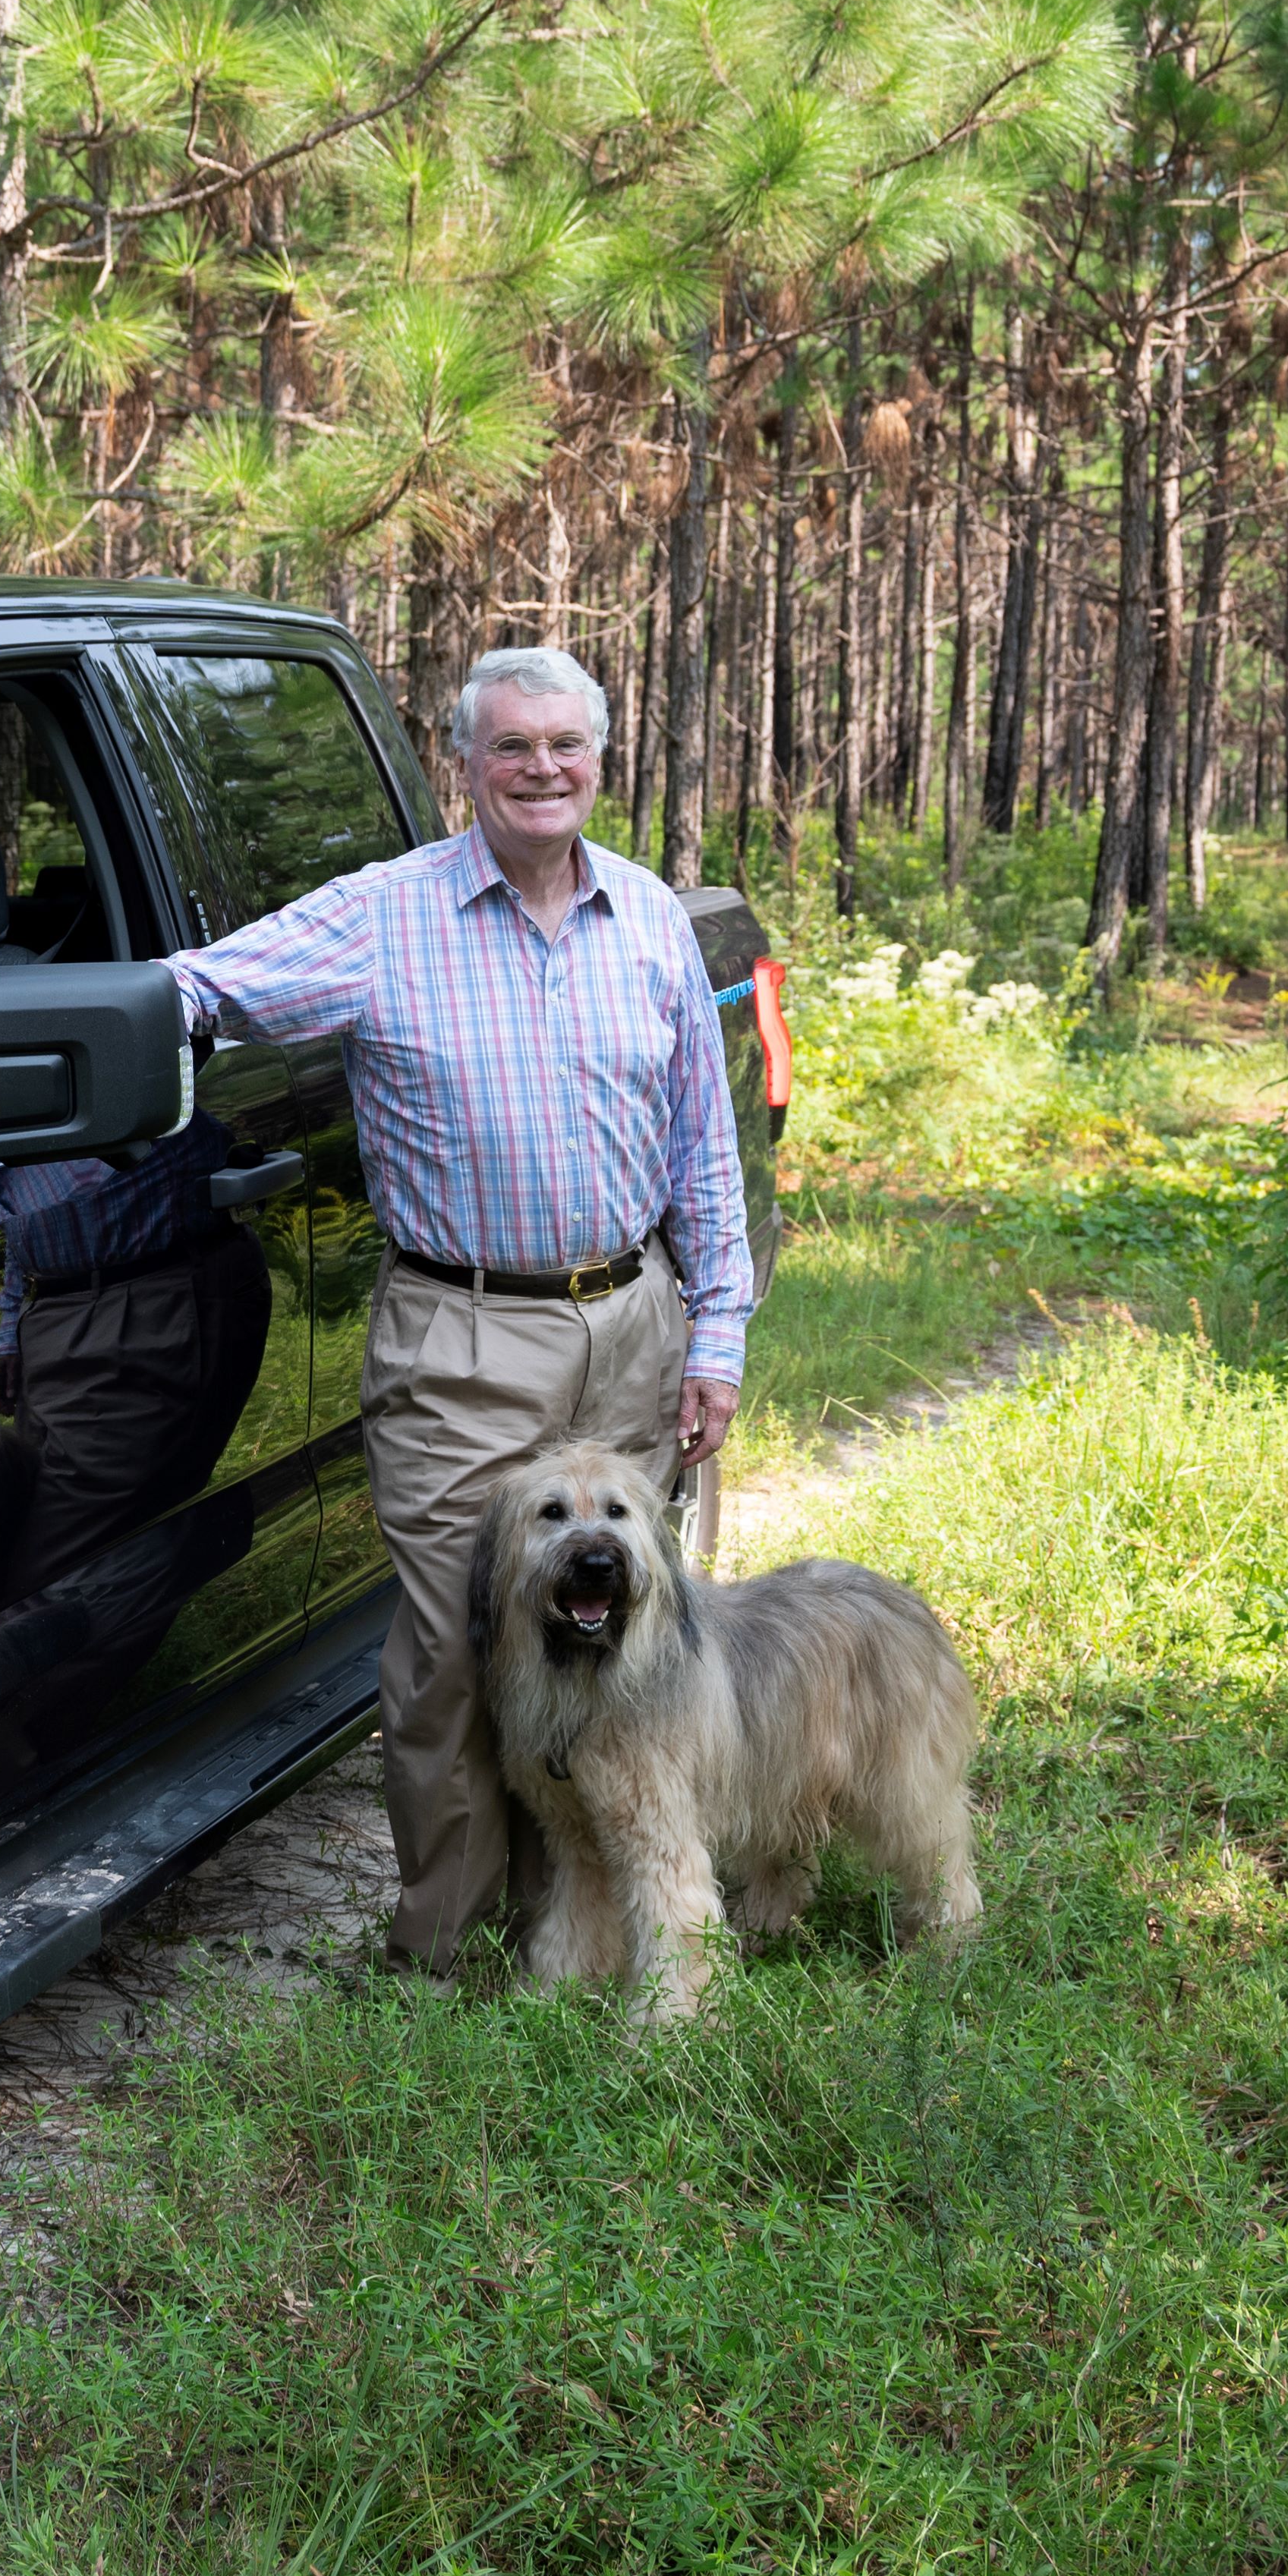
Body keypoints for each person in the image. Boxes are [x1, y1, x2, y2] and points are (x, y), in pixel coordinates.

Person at [167, 644, 751, 1972]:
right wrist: (110, 1015)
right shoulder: (386, 915)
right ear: (463, 765)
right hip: (460, 1340)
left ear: (599, 760)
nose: (542, 769)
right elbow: (209, 983)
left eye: (567, 746)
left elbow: (701, 1150)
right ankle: (452, 1950)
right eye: (512, 747)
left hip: (632, 1322)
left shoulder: (652, 915)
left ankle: (590, 1924)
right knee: (451, 1652)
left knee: (616, 1645)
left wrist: (713, 1334)